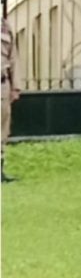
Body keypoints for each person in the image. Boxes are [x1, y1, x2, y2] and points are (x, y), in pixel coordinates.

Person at [1, 15, 20, 183]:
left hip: (2, 86)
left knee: (2, 130)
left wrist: (15, 87)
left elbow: (13, 58)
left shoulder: (5, 27)